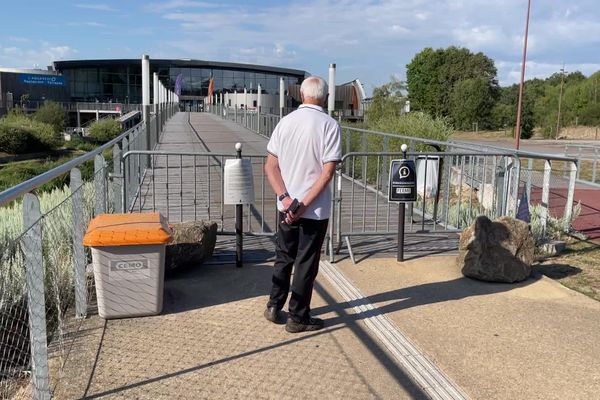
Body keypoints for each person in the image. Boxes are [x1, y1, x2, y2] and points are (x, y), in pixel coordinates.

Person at [263, 76, 341, 333]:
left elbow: (271, 166)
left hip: (286, 207)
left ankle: (274, 305)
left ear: (301, 95)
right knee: (306, 261)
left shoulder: (285, 123)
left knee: (283, 255)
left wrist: (286, 199)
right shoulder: (330, 125)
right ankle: (298, 316)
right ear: (325, 97)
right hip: (314, 210)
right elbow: (327, 173)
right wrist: (304, 205)